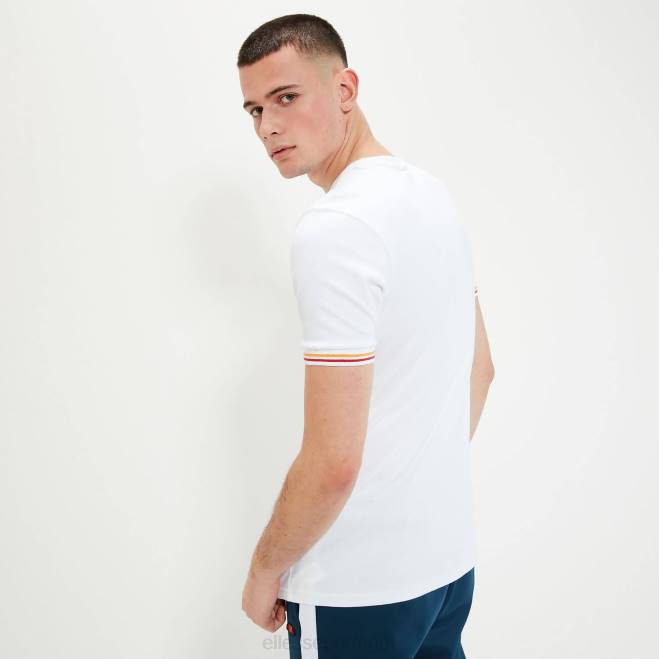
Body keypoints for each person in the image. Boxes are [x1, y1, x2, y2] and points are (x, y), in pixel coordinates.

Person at [237, 14, 495, 659]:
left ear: (345, 88)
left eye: (286, 97)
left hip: (357, 588)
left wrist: (265, 569)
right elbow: (481, 369)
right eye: (255, 109)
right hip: (445, 564)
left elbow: (334, 461)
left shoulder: (336, 228)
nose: (267, 126)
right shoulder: (433, 196)